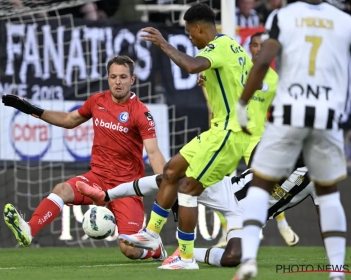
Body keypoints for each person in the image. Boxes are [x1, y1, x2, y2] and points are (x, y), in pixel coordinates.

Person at [118, 3, 256, 270]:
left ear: (198, 27)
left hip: (228, 134)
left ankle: (187, 257)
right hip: (219, 131)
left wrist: (164, 44)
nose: (190, 38)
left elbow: (192, 66)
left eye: (189, 32)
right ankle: (151, 234)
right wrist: (214, 80)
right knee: (171, 170)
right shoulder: (236, 48)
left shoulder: (218, 47)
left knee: (188, 187)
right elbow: (248, 81)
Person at [1, 55, 168, 262]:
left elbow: (153, 152)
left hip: (126, 188)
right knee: (61, 189)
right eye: (113, 77)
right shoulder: (97, 101)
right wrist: (32, 110)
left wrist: (167, 183)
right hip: (97, 179)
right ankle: (29, 230)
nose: (118, 82)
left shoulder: (141, 113)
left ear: (132, 80)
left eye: (123, 77)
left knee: (130, 251)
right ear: (107, 78)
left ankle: (156, 249)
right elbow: (69, 120)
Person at [234, 1, 351, 280]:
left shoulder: (282, 16)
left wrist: (242, 104)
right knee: (329, 193)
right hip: (328, 116)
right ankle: (336, 272)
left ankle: (248, 259)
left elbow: (263, 60)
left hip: (289, 113)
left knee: (260, 183)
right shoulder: (344, 19)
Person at [78, 156, 314, 268]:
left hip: (247, 218)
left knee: (234, 257)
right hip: (228, 190)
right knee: (173, 177)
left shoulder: (322, 178)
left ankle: (181, 253)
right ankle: (108, 195)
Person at [214, 32, 299, 248]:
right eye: (254, 45)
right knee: (215, 180)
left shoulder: (276, 80)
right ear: (249, 48)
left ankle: (282, 225)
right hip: (233, 133)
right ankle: (227, 231)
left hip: (257, 138)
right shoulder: (239, 70)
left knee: (266, 183)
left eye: (262, 45)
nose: (258, 49)